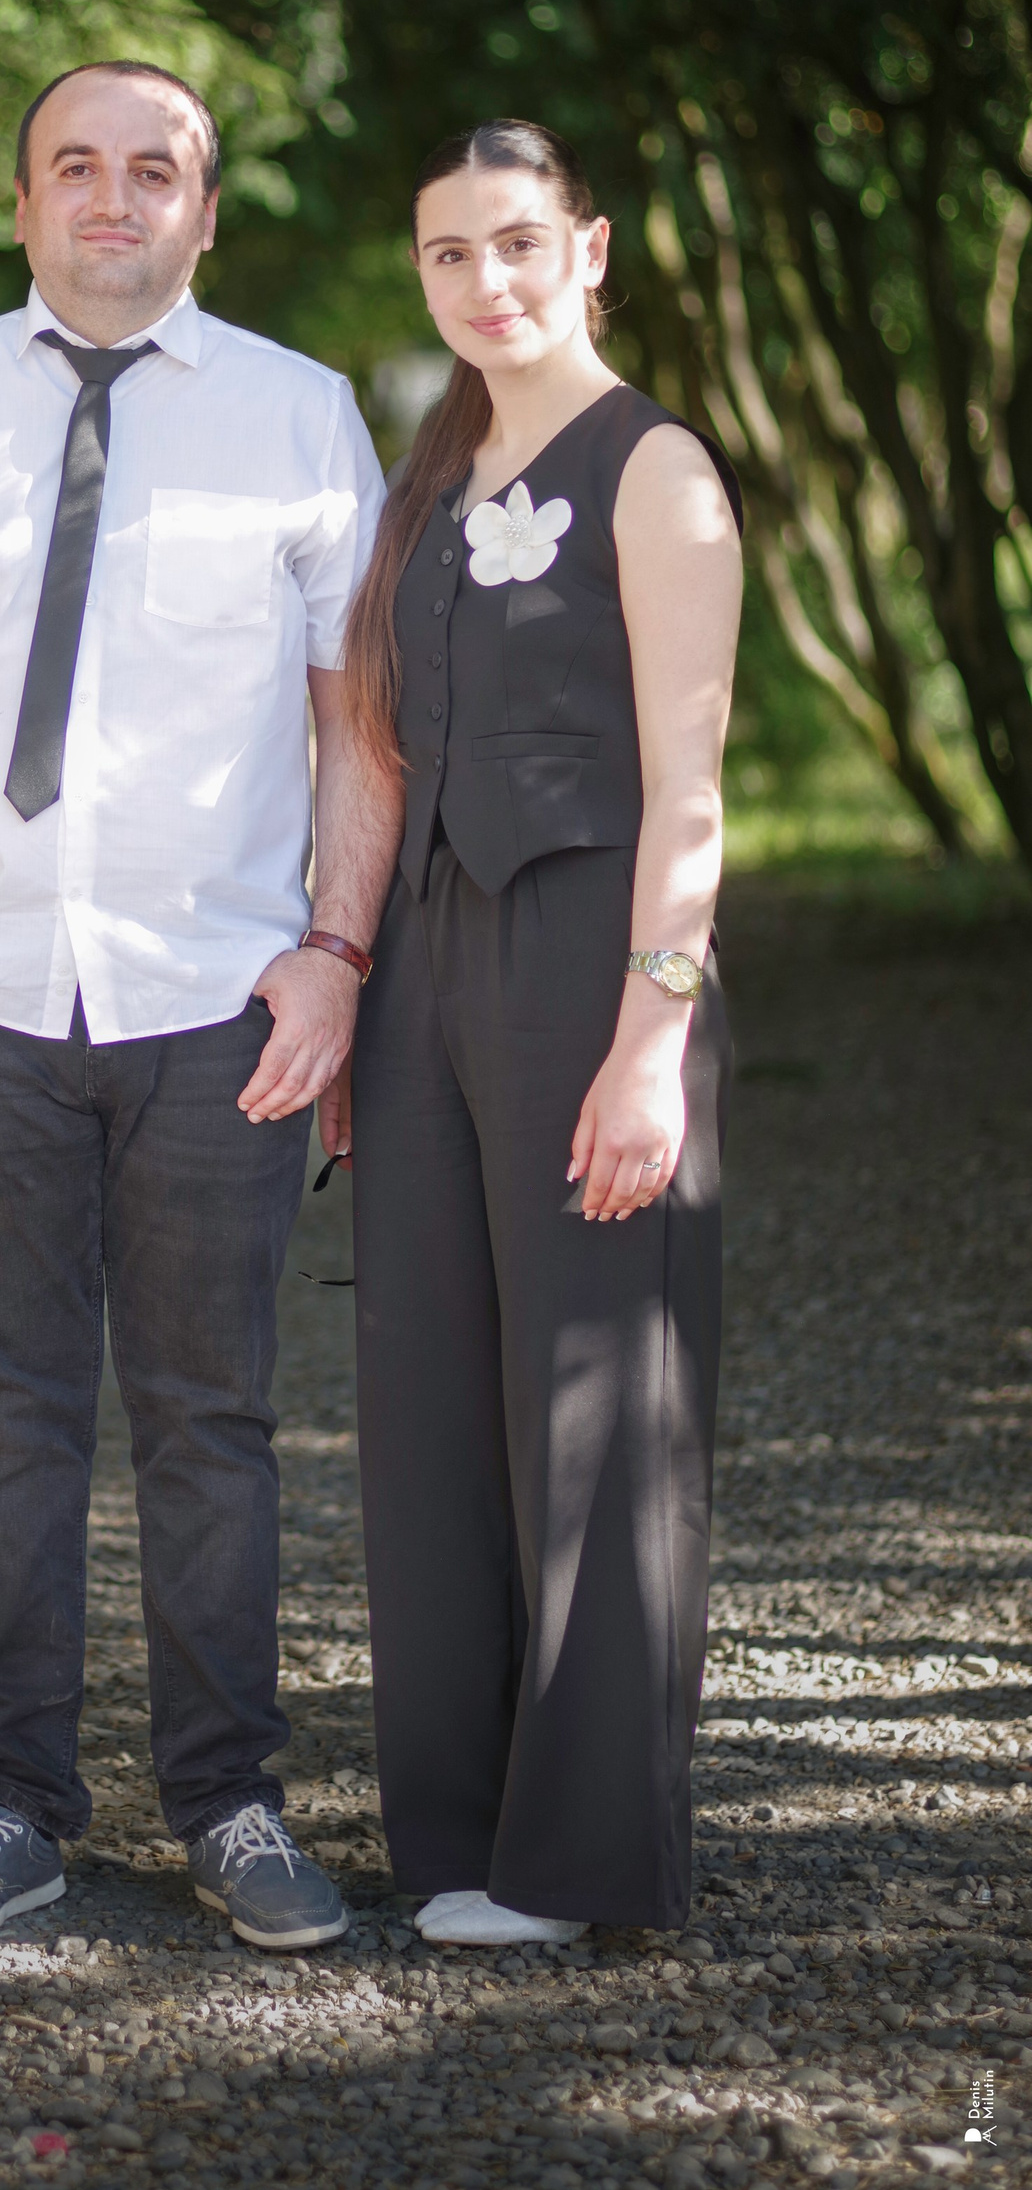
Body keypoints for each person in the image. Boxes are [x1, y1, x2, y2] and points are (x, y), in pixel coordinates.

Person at [0, 58, 387, 1951]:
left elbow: (358, 722)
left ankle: (232, 1802)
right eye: (77, 166)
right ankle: (11, 1806)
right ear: (25, 198)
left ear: (205, 208)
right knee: (6, 1420)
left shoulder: (302, 415)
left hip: (221, 1006)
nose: (113, 198)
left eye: (154, 170)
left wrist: (336, 952)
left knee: (213, 1423)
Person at [324, 120, 743, 1947]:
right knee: (427, 1401)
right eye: (449, 253)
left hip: (591, 966)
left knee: (593, 1407)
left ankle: (581, 1866)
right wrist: (354, 986)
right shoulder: (431, 478)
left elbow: (692, 784)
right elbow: (379, 753)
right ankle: (457, 1837)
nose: (485, 280)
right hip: (423, 974)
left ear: (590, 249)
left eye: (516, 243)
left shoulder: (660, 470)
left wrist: (652, 1037)